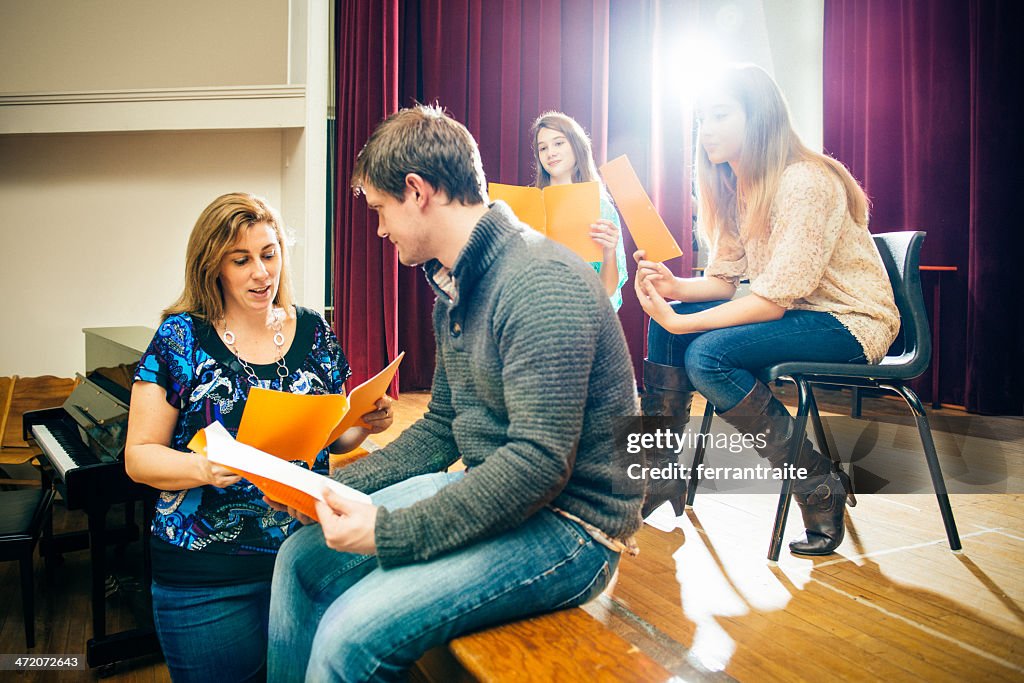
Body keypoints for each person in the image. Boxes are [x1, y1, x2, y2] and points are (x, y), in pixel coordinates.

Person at [266, 105, 641, 682]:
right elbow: (443, 425)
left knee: (349, 636)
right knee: (300, 559)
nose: (380, 229)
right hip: (503, 490)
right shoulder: (456, 287)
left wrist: (388, 532)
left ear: (416, 191)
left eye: (380, 210)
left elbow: (540, 466)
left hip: (573, 527)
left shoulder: (540, 281)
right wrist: (326, 488)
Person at [124, 192, 393, 683]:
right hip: (206, 576)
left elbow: (333, 439)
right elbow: (139, 457)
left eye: (269, 254)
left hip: (306, 560)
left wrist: (364, 422)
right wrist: (203, 468)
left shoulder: (315, 331)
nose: (261, 273)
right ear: (213, 266)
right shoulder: (179, 338)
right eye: (241, 259)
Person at [634, 64, 899, 555]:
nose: (705, 129)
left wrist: (681, 318)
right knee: (670, 328)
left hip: (851, 321)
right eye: (701, 118)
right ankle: (660, 473)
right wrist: (675, 289)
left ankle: (817, 483)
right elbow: (723, 280)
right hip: (801, 313)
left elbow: (774, 300)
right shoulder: (738, 188)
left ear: (758, 118)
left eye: (719, 115)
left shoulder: (804, 181)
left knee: (706, 355)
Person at [532, 111, 629, 310]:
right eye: (543, 148)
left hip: (581, 316)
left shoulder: (601, 208)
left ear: (577, 146)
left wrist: (609, 252)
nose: (550, 153)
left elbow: (608, 290)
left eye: (558, 143)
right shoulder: (528, 205)